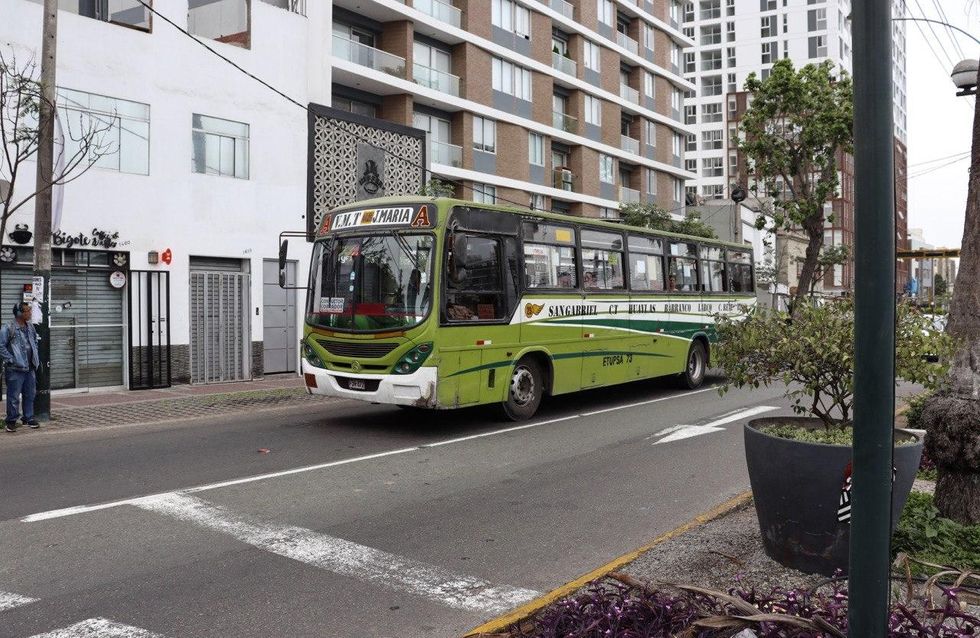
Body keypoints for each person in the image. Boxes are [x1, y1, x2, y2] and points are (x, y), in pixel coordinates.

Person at [0, 302, 40, 432]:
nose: (30, 313)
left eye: (30, 310)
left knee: (30, 394)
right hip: (15, 369)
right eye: (27, 311)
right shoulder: (8, 328)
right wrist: (11, 359)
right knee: (14, 396)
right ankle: (11, 421)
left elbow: (34, 342)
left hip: (30, 367)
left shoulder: (31, 327)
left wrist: (35, 357)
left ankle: (28, 418)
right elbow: (1, 346)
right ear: (19, 313)